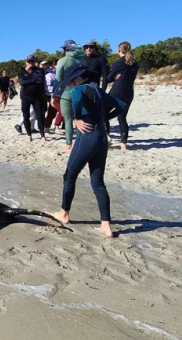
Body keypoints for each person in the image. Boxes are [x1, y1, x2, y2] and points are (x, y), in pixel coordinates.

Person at [50, 65, 127, 238]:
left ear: (77, 78)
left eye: (70, 81)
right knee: (98, 183)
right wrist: (104, 118)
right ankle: (106, 226)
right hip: (102, 138)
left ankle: (64, 214)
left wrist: (77, 118)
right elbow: (122, 105)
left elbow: (76, 96)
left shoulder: (80, 88)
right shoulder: (99, 91)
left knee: (69, 175)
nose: (69, 85)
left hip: (88, 137)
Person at [107, 41, 139, 150]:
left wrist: (113, 78)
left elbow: (108, 78)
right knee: (122, 118)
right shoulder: (135, 63)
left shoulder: (119, 62)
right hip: (129, 92)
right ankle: (123, 143)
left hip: (117, 91)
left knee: (104, 113)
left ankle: (107, 136)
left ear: (119, 50)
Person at [55, 40, 86, 153]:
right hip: (81, 92)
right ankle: (80, 144)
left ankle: (69, 145)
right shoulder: (82, 60)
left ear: (65, 49)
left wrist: (54, 95)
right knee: (81, 118)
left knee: (68, 119)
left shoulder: (63, 60)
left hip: (66, 93)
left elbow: (57, 79)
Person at [18, 55, 47, 142]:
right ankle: (29, 134)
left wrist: (30, 78)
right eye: (29, 61)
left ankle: (42, 135)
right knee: (26, 116)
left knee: (40, 116)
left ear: (35, 62)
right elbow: (22, 82)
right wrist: (33, 81)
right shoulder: (22, 71)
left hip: (37, 97)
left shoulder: (40, 70)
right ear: (26, 62)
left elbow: (40, 79)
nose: (31, 63)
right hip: (25, 97)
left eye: (32, 61)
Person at [43, 62, 58, 130]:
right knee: (61, 110)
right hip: (51, 94)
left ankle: (47, 126)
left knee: (52, 111)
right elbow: (48, 87)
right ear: (54, 65)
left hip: (56, 94)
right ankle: (57, 126)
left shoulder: (56, 73)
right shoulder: (49, 75)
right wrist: (57, 89)